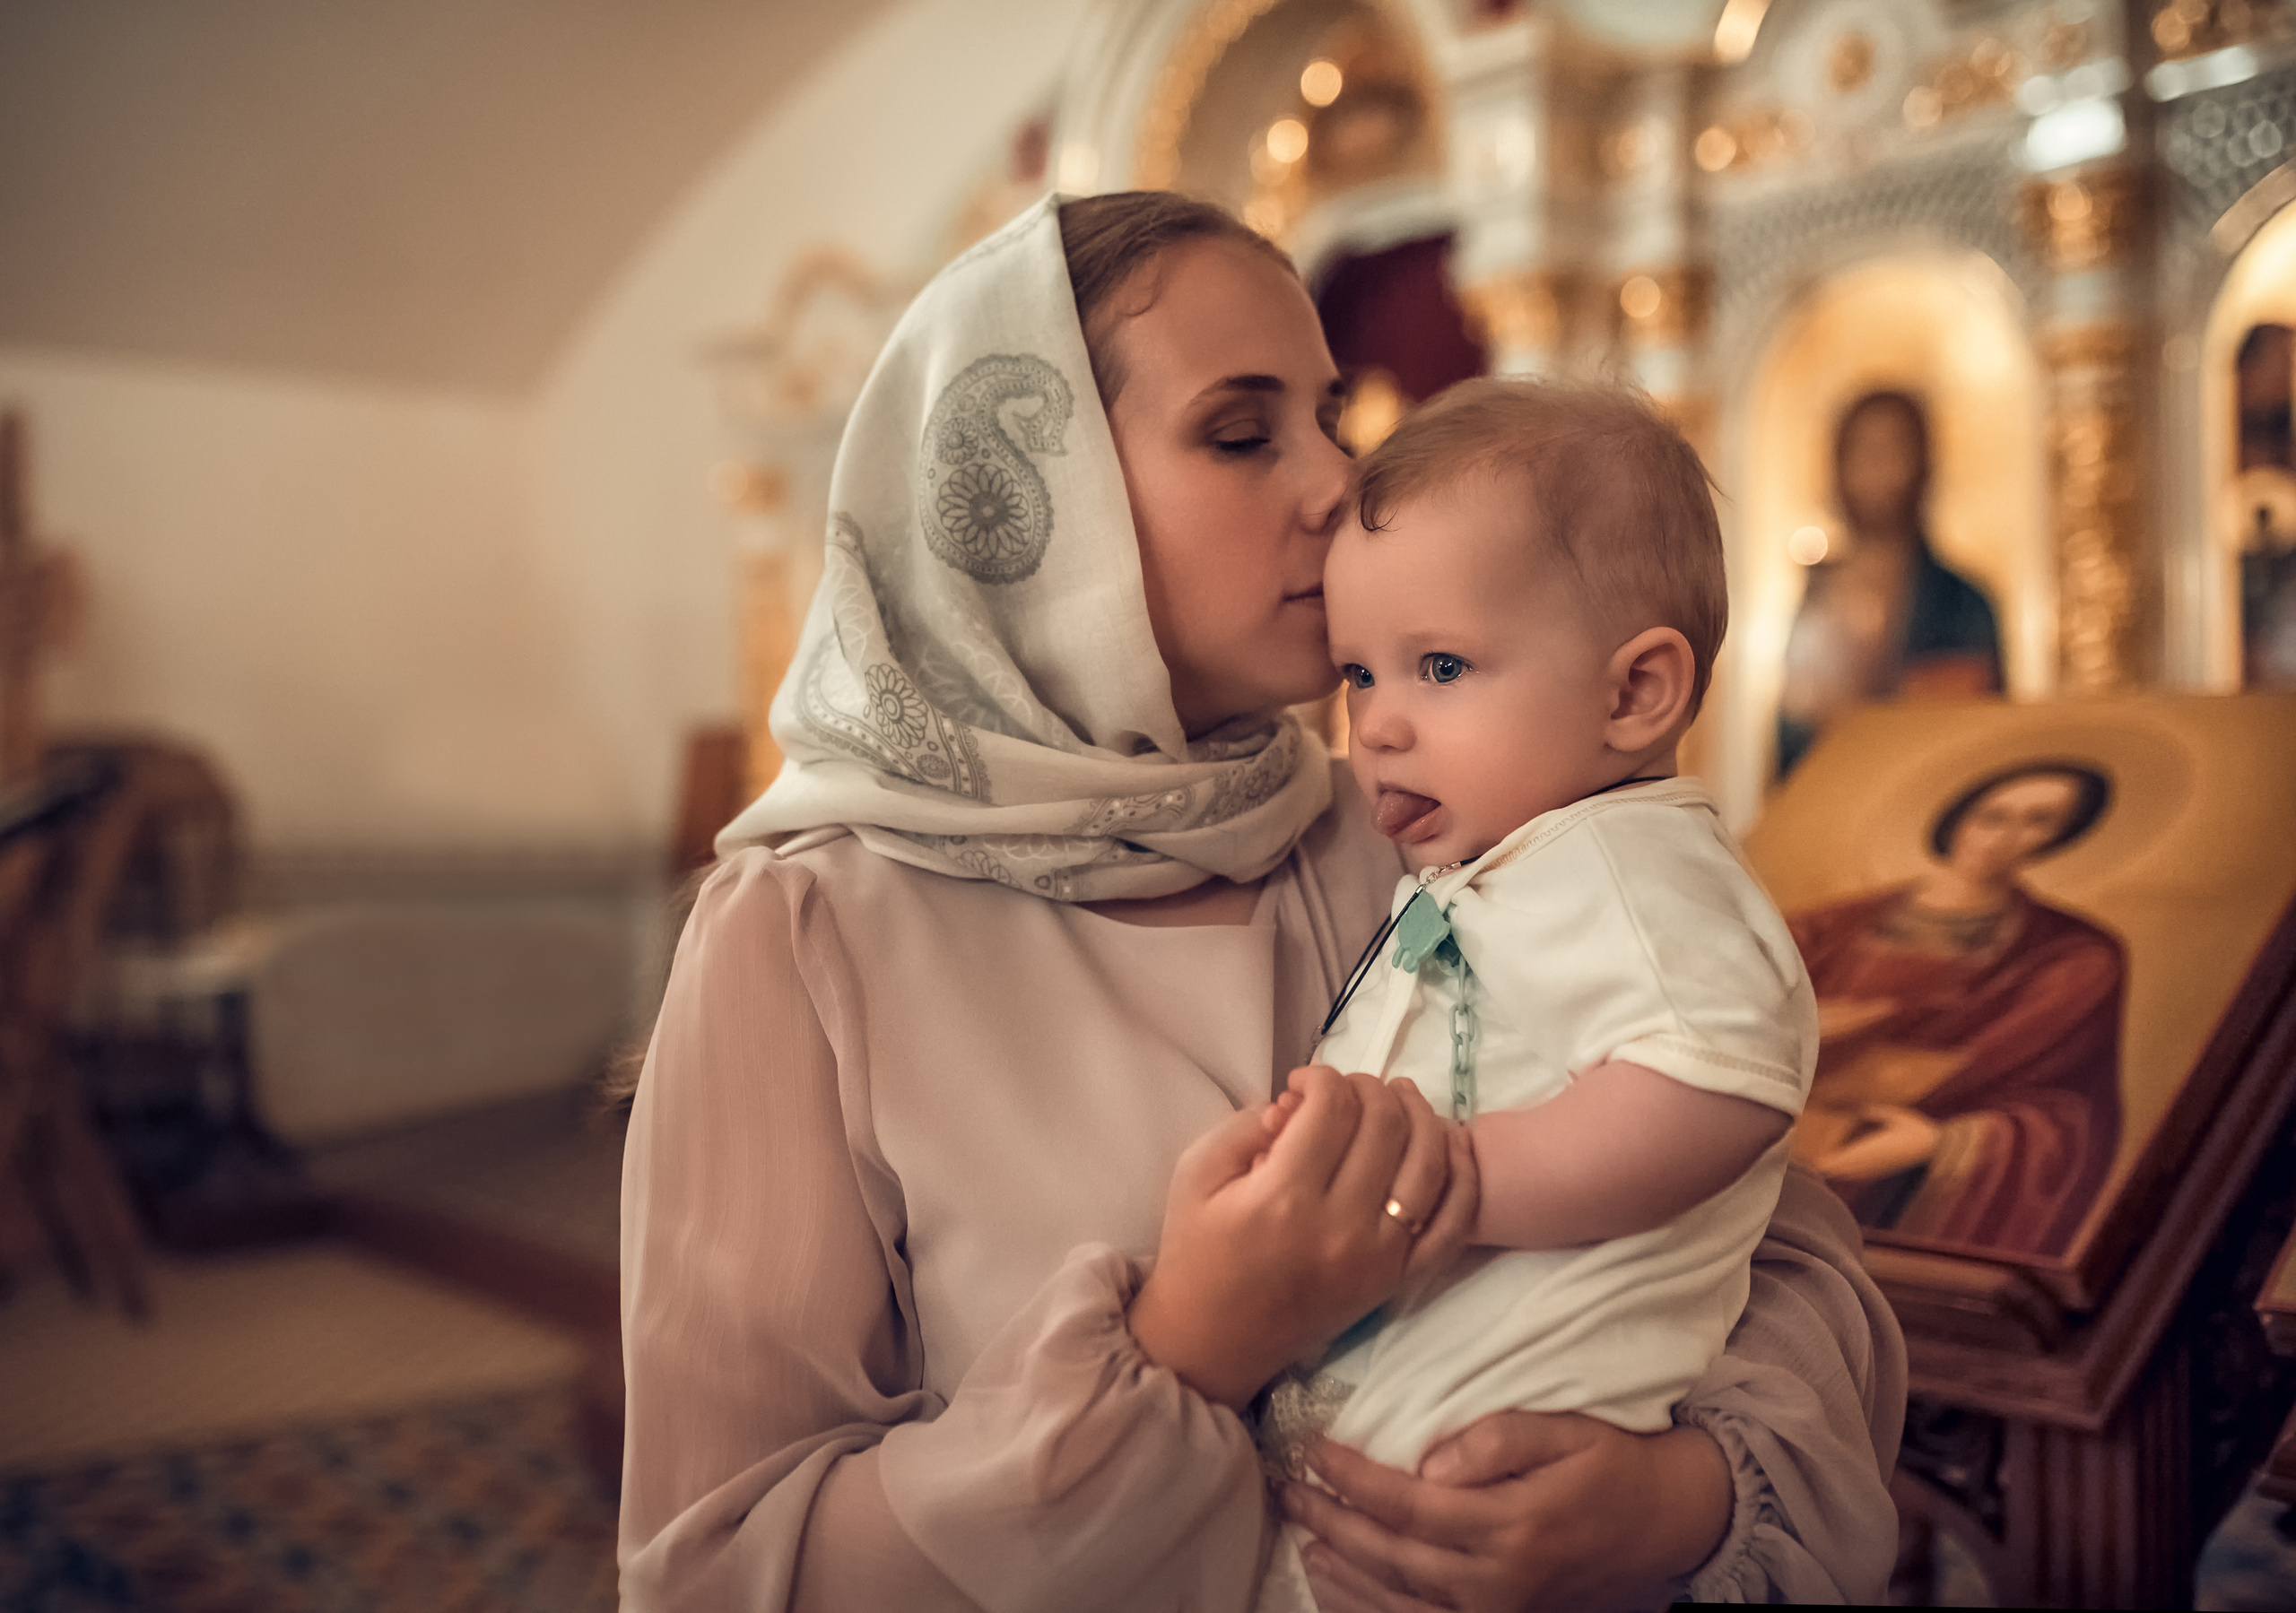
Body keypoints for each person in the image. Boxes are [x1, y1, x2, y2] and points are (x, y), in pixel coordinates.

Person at [618, 190, 1904, 1612]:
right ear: (1028, 514)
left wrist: (1681, 1500)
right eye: (1244, 432)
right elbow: (726, 1567)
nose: (1337, 486)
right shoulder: (803, 930)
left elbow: (1780, 1245)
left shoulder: (1422, 836)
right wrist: (1185, 1347)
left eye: (1329, 418)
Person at [1242, 381, 1816, 1609]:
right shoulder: (1505, 857)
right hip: (1403, 1467)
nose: (1380, 728)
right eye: (1359, 676)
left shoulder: (1626, 864)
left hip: (1508, 1479)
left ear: (1634, 694)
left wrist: (1462, 1177)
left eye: (1439, 666)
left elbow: (1719, 1075)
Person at [1788, 762, 2123, 1259]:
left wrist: (1942, 1145)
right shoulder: (1828, 926)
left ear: (2063, 837)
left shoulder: (2075, 957)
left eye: (2038, 821)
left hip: (1894, 1188)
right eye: (1992, 816)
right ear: (1961, 817)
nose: (2004, 836)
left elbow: (2067, 1108)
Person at [1776, 390, 2002, 777]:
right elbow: (1792, 735)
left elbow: (1976, 732)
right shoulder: (1818, 601)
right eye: (1862, 451)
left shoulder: (1963, 602)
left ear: (1924, 463)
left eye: (1893, 449)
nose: (1876, 468)